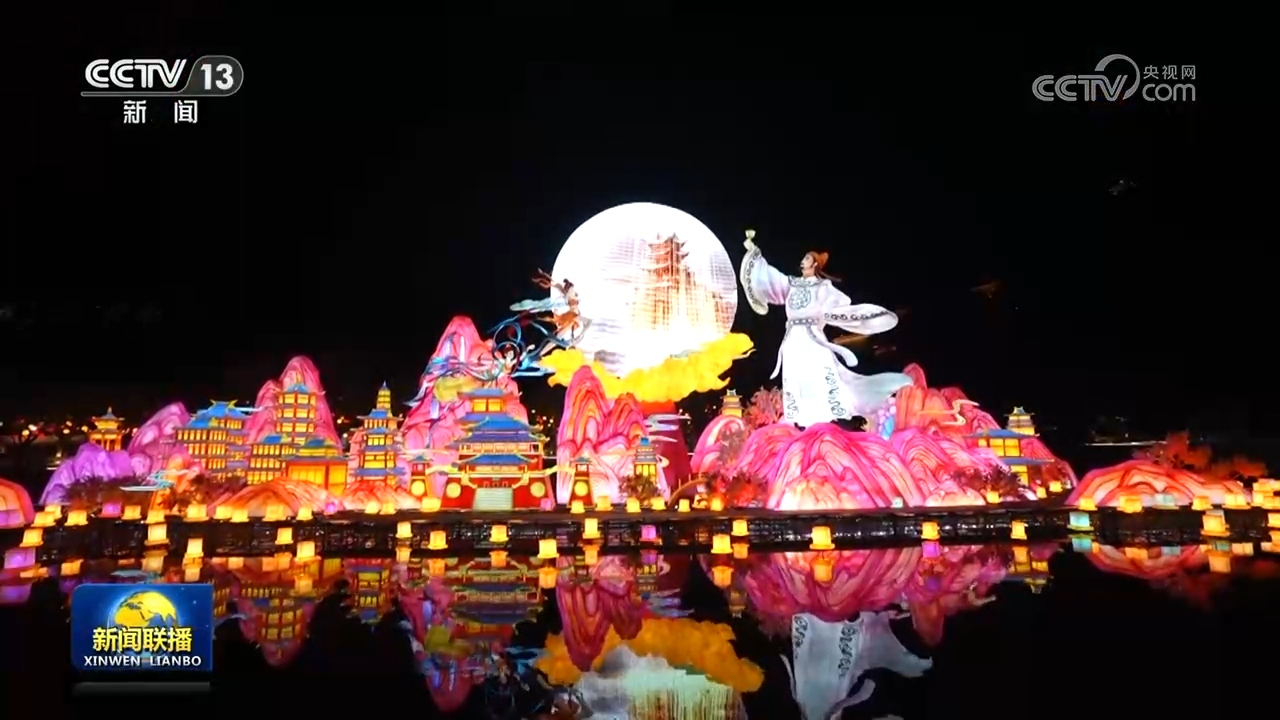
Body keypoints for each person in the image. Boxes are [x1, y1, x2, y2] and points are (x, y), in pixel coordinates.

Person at [740, 230, 912, 428]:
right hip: (792, 340)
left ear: (815, 264)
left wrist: (859, 316)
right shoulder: (792, 284)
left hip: (812, 338)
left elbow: (835, 307)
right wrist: (755, 255)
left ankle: (821, 422)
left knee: (818, 377)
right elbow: (772, 279)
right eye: (803, 258)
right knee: (796, 378)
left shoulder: (823, 287)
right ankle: (802, 421)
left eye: (807, 258)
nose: (802, 261)